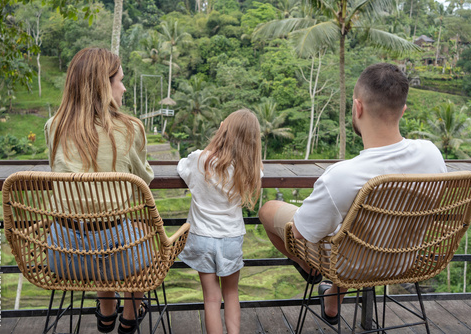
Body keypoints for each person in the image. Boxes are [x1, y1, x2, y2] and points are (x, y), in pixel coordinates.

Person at [258, 63, 447, 325]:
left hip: (352, 264)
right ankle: (331, 301)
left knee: (269, 209)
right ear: (403, 111)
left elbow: (301, 232)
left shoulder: (342, 176)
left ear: (357, 108)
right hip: (407, 260)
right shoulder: (432, 154)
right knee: (349, 227)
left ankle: (310, 270)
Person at [44, 48, 155, 334]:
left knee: (100, 227)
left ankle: (107, 313)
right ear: (103, 86)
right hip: (116, 255)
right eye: (120, 80)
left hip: (62, 254)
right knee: (133, 231)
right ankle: (130, 316)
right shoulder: (130, 129)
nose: (124, 87)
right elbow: (144, 178)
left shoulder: (53, 126)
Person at [177, 109, 263, 334]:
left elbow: (182, 167)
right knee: (231, 294)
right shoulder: (249, 169)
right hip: (231, 239)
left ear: (224, 130)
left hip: (202, 237)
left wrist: (218, 136)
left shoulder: (200, 160)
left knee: (211, 299)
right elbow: (257, 169)